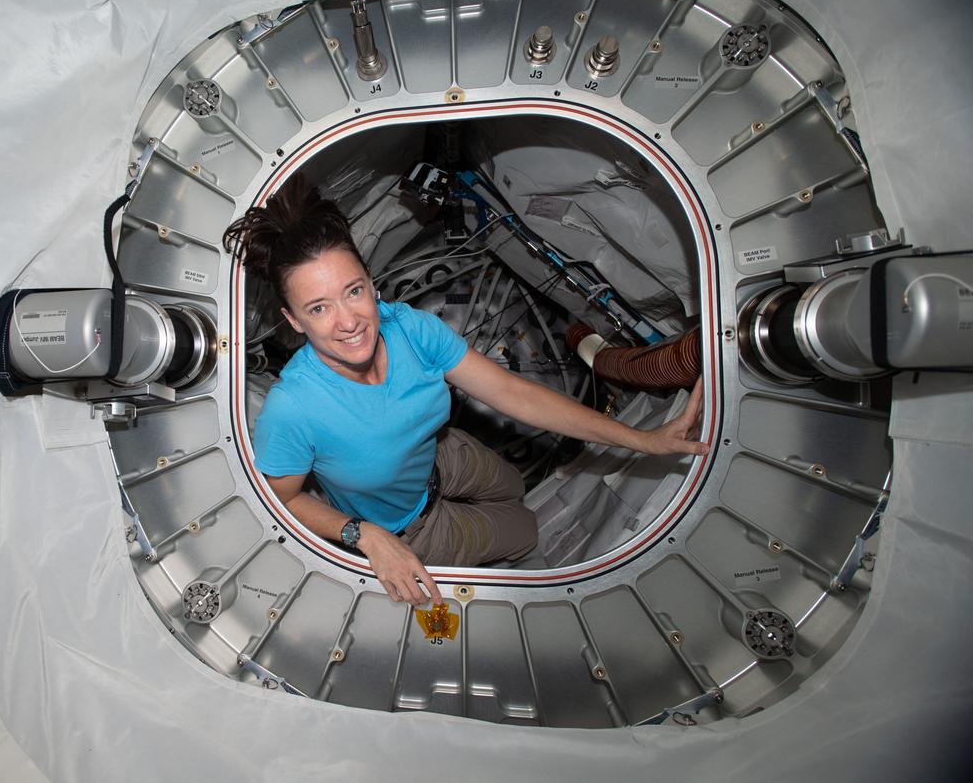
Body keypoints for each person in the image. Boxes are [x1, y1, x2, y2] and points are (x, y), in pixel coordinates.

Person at [224, 176, 707, 608]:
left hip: (442, 451)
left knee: (516, 487)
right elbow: (279, 499)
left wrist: (642, 439)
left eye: (353, 291)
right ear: (293, 320)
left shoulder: (409, 327)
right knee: (526, 530)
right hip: (410, 525)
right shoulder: (295, 408)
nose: (349, 321)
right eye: (318, 308)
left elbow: (513, 393)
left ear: (372, 284)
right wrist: (363, 535)